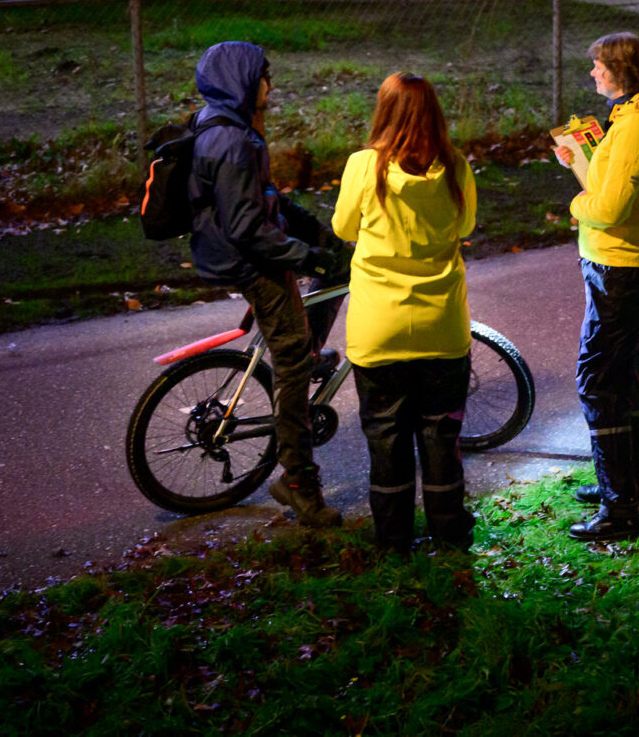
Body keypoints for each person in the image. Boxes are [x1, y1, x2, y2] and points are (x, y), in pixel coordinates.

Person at [188, 41, 346, 528]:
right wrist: (306, 256)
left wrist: (321, 237)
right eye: (264, 77)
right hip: (247, 260)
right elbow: (249, 230)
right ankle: (298, 483)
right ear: (242, 80)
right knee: (292, 365)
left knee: (336, 268)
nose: (270, 86)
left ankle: (306, 351)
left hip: (242, 248)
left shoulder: (225, 124)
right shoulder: (233, 142)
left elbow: (266, 199)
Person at [332, 73, 479, 553]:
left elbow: (342, 227)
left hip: (379, 328)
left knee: (386, 436)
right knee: (441, 434)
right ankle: (449, 534)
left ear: (384, 112)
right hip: (442, 324)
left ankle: (393, 542)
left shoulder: (363, 166)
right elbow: (468, 224)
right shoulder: (456, 166)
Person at [552, 32, 639, 542]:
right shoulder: (628, 119)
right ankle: (626, 485)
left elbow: (606, 208)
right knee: (620, 375)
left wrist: (576, 205)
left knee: (597, 379)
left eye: (600, 65)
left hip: (620, 267)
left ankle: (619, 508)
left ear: (621, 72)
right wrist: (583, 163)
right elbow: (612, 185)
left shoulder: (636, 128)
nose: (593, 73)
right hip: (617, 262)